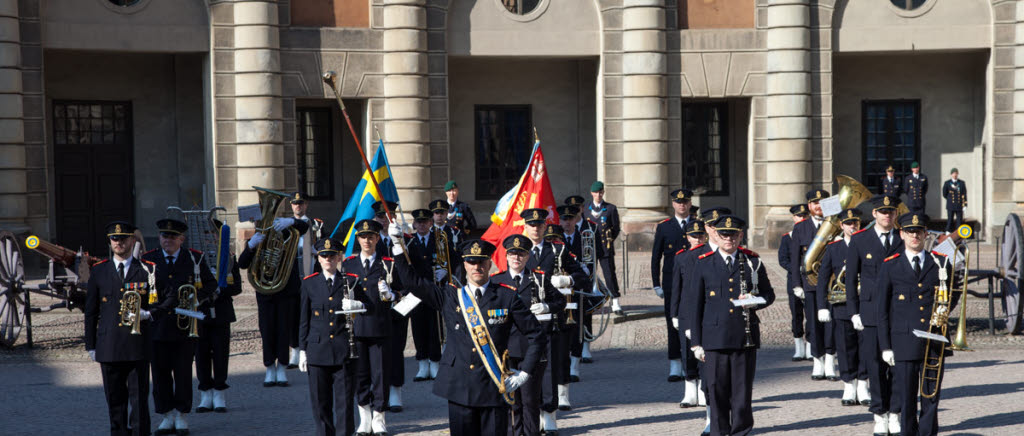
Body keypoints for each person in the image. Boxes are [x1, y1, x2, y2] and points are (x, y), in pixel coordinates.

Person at [392, 237, 543, 436]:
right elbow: (413, 282)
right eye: (472, 262)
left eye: (481, 261)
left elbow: (536, 334)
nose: (477, 267)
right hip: (459, 387)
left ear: (490, 263)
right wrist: (397, 247)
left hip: (493, 386)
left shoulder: (506, 297)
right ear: (464, 264)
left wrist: (524, 374)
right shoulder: (450, 296)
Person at [689, 215, 775, 436]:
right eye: (724, 234)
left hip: (743, 336)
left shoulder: (752, 261)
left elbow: (768, 294)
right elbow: (695, 305)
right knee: (716, 390)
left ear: (741, 235)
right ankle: (719, 431)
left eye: (733, 234)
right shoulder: (703, 262)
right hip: (714, 338)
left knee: (741, 391)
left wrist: (754, 301)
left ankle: (741, 431)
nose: (729, 239)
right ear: (716, 235)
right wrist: (696, 343)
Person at [878, 212, 955, 436]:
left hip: (934, 339)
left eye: (919, 232)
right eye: (910, 232)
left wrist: (941, 314)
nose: (914, 236)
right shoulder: (890, 266)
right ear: (901, 234)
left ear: (925, 234)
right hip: (904, 340)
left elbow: (950, 295)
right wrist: (885, 346)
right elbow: (882, 310)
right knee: (907, 396)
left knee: (931, 396)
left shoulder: (940, 263)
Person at [142, 218, 216, 434]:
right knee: (160, 373)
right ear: (159, 237)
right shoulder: (149, 260)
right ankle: (166, 415)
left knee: (183, 373)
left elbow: (210, 284)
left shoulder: (194, 258)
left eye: (173, 237)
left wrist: (194, 298)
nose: (168, 240)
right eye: (165, 236)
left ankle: (182, 415)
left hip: (185, 327)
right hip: (158, 326)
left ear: (181, 239)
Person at [85, 221, 156, 436]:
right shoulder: (99, 271)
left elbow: (161, 302)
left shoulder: (146, 269)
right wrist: (91, 345)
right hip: (109, 344)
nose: (119, 243)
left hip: (137, 343)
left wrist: (149, 313)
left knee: (139, 398)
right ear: (109, 242)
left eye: (123, 238)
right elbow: (91, 311)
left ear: (132, 240)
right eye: (115, 239)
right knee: (115, 399)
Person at [297, 237, 373, 436]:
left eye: (331, 256)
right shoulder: (309, 283)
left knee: (345, 403)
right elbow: (304, 320)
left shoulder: (350, 281)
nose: (328, 259)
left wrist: (357, 305)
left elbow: (369, 307)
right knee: (320, 404)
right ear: (318, 258)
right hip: (317, 350)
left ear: (339, 257)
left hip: (343, 351)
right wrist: (302, 350)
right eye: (324, 256)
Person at [491, 234, 562, 436]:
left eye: (521, 254)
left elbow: (560, 302)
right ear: (506, 255)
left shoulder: (538, 278)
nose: (516, 258)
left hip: (532, 348)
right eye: (512, 254)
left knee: (530, 399)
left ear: (527, 256)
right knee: (510, 400)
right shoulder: (496, 281)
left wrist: (546, 305)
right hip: (506, 349)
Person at [846, 194, 905, 435]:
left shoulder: (903, 238)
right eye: (883, 212)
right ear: (874, 214)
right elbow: (851, 280)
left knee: (899, 367)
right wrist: (853, 312)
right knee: (875, 366)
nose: (887, 215)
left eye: (891, 212)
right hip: (869, 312)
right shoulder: (860, 240)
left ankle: (895, 413)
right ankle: (880, 414)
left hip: (899, 313)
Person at [344, 219, 406, 435]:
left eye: (371, 236)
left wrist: (392, 295)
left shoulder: (387, 264)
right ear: (358, 239)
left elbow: (402, 292)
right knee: (360, 375)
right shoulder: (348, 265)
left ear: (378, 238)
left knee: (380, 374)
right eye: (363, 237)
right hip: (357, 329)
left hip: (381, 327)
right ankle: (364, 417)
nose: (367, 240)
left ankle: (379, 417)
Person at [238, 214, 310, 387]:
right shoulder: (258, 239)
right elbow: (241, 263)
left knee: (284, 330)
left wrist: (291, 221)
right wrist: (250, 246)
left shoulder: (286, 234)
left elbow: (304, 228)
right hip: (265, 292)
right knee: (267, 330)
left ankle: (282, 368)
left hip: (286, 290)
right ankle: (270, 367)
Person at [815, 208, 870, 406]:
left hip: (865, 304)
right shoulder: (833, 248)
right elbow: (822, 279)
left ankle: (863, 383)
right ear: (841, 226)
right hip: (842, 305)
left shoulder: (867, 245)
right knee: (845, 347)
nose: (852, 226)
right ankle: (849, 384)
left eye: (855, 222)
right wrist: (821, 305)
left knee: (865, 346)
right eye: (848, 223)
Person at [194, 221, 244, 414]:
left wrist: (220, 290)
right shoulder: (195, 259)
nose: (209, 239)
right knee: (202, 353)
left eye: (213, 235)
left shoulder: (229, 259)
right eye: (206, 235)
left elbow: (237, 286)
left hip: (222, 311)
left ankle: (219, 392)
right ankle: (205, 392)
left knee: (221, 353)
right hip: (202, 311)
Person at [789, 189, 837, 381]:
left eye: (823, 202)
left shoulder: (836, 224)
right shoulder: (801, 228)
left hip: (833, 284)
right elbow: (794, 259)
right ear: (809, 206)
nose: (818, 206)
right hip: (810, 284)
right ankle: (818, 361)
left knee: (832, 324)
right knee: (814, 324)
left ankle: (830, 361)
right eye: (815, 203)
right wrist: (796, 284)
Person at [651, 188, 694, 382]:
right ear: (673, 205)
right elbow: (656, 257)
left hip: (694, 280)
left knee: (693, 321)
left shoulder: (697, 225)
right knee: (672, 321)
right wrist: (656, 284)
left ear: (690, 203)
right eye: (678, 202)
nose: (682, 205)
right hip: (671, 282)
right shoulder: (665, 227)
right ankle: (675, 364)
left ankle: (691, 362)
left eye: (685, 202)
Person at [669, 219, 708, 410]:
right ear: (687, 237)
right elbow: (676, 287)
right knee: (686, 352)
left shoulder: (710, 254)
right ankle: (689, 392)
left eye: (700, 234)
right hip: (685, 311)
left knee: (703, 352)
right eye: (694, 235)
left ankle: (702, 391)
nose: (697, 238)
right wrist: (674, 313)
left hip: (705, 310)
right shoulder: (681, 257)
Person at [406, 208, 444, 382]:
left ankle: (435, 362)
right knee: (418, 326)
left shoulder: (439, 240)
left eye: (425, 222)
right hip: (415, 291)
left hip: (434, 289)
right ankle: (422, 363)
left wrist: (445, 272)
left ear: (431, 223)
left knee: (434, 326)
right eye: (418, 222)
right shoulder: (409, 242)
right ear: (414, 224)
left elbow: (450, 259)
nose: (421, 225)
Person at [565, 195, 601, 363]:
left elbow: (598, 254)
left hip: (584, 278)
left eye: (576, 210)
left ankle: (586, 345)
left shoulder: (590, 228)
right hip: (565, 280)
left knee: (586, 312)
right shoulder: (558, 234)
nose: (570, 219)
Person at [291, 192, 324, 368]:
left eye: (301, 203)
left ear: (306, 205)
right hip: (291, 274)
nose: (298, 206)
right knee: (293, 314)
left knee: (309, 312)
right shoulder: (287, 225)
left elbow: (323, 246)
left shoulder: (316, 225)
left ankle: (307, 347)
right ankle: (294, 350)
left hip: (309, 272)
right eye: (295, 203)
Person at [585, 181, 623, 315]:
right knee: (588, 274)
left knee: (610, 275)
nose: (598, 195)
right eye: (596, 192)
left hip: (605, 248)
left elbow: (616, 228)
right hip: (590, 249)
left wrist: (609, 240)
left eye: (600, 192)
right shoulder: (586, 209)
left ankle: (615, 302)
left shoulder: (611, 208)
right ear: (592, 193)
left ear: (603, 193)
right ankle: (589, 301)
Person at [779, 204, 810, 361]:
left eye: (805, 216)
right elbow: (782, 259)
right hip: (794, 280)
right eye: (799, 216)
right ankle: (799, 347)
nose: (802, 219)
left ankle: (811, 347)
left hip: (811, 279)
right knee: (796, 313)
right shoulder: (788, 237)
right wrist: (796, 269)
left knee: (811, 314)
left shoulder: (813, 235)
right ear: (794, 218)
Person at [942, 168, 967, 234]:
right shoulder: (947, 183)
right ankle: (948, 231)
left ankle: (958, 233)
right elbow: (944, 194)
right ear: (951, 174)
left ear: (957, 174)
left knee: (959, 220)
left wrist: (965, 205)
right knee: (950, 219)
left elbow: (964, 194)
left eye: (956, 173)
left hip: (959, 204)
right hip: (951, 205)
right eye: (953, 173)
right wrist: (950, 200)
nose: (955, 175)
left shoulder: (961, 183)